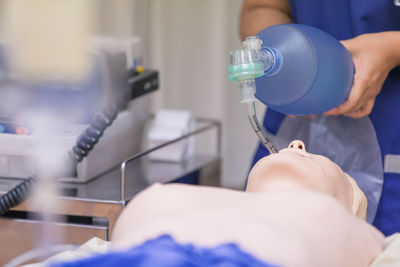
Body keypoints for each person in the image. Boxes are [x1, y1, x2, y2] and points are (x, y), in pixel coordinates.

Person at [241, 0, 400, 236]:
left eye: (310, 155)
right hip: (294, 96)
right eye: (308, 154)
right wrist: (281, 51)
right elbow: (261, 7)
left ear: (354, 210)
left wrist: (391, 49)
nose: (296, 146)